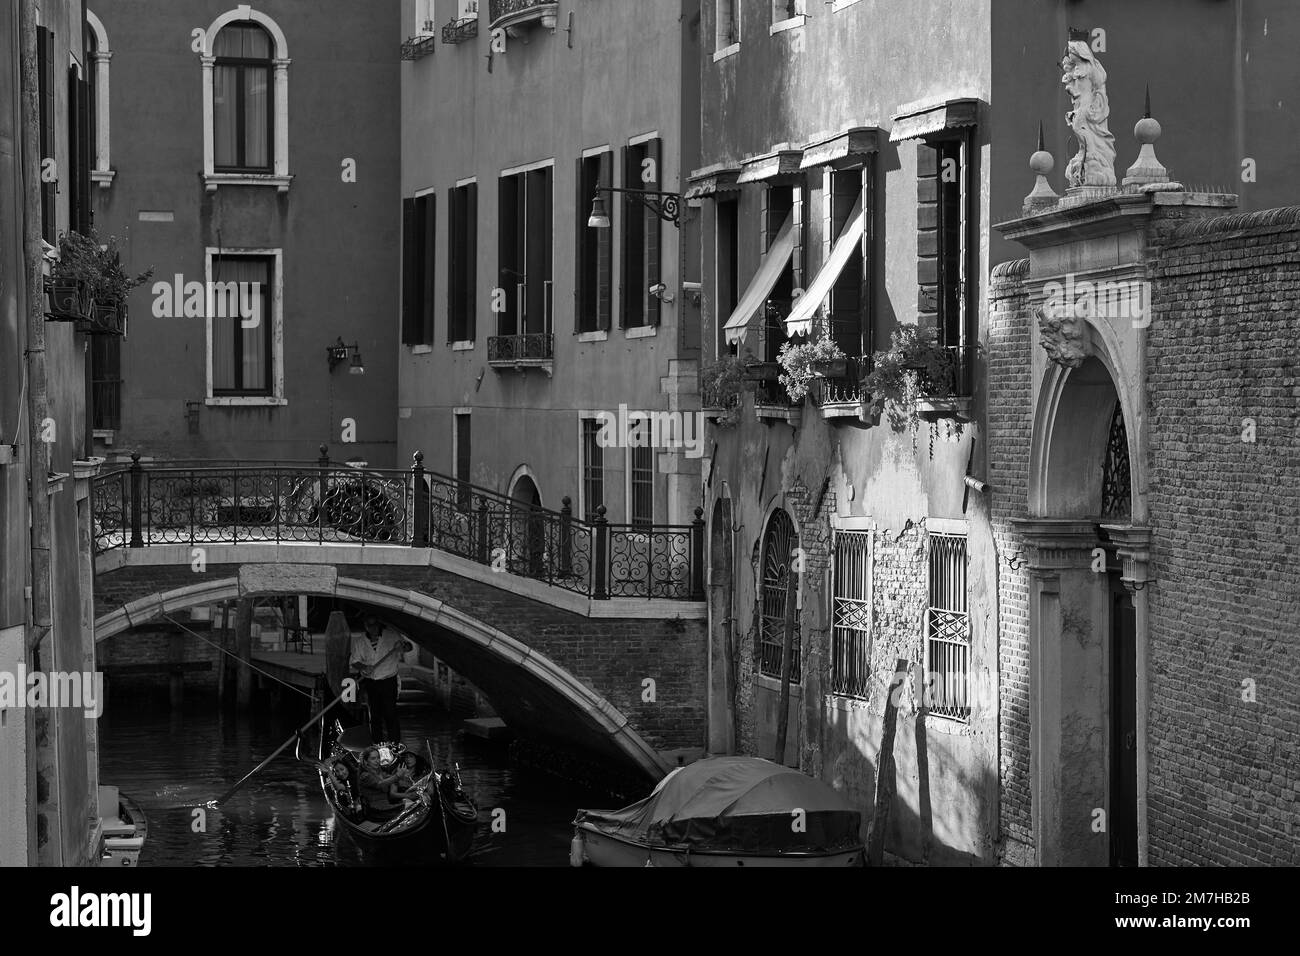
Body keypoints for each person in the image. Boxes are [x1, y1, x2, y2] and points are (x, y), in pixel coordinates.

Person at [349, 613, 405, 744]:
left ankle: (395, 745)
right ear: (365, 626)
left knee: (390, 713)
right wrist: (364, 666)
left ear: (378, 624)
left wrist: (403, 646)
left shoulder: (391, 636)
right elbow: (354, 661)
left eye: (374, 625)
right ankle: (377, 744)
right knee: (374, 715)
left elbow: (407, 647)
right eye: (369, 625)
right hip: (371, 682)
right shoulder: (360, 641)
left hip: (388, 681)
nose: (372, 628)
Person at [357, 747, 406, 821]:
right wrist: (397, 776)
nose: (377, 761)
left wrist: (401, 777)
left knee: (410, 803)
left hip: (385, 807)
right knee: (408, 807)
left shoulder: (379, 772)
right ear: (366, 761)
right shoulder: (365, 775)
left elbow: (390, 778)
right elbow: (380, 784)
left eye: (378, 758)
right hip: (376, 811)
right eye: (373, 759)